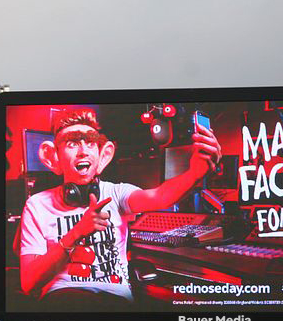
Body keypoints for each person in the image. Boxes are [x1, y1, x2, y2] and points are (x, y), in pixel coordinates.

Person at [18, 108, 222, 305]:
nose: (83, 151)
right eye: (72, 144)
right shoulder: (37, 205)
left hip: (114, 299)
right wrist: (76, 233)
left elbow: (160, 197)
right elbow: (28, 284)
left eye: (89, 143)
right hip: (64, 298)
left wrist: (195, 173)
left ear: (102, 155)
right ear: (55, 157)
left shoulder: (116, 193)